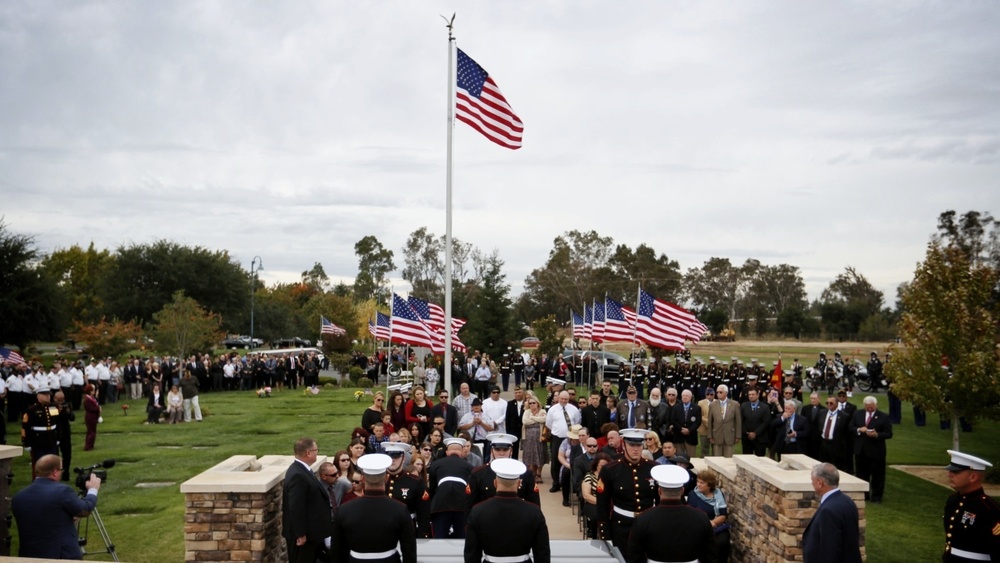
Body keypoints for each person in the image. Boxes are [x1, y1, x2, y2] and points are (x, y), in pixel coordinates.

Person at [12, 454, 102, 559]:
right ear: (55, 472)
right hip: (60, 556)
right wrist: (93, 489)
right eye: (61, 470)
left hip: (29, 556)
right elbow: (85, 509)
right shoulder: (62, 491)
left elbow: (40, 518)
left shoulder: (18, 497)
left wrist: (66, 518)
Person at [333, 453, 417, 563]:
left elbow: (337, 550)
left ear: (362, 479)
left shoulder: (344, 509)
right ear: (386, 478)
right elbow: (409, 549)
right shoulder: (400, 509)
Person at [465, 458, 551, 563]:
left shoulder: (478, 511)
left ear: (495, 483)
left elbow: (471, 553)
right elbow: (542, 552)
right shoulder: (534, 512)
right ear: (519, 483)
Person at [627, 464, 716, 563]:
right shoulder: (701, 517)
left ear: (659, 491)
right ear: (682, 491)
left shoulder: (643, 519)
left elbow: (634, 556)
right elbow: (710, 555)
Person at [596, 428, 659, 550]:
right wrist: (605, 534)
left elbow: (660, 499)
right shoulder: (610, 470)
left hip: (649, 526)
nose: (636, 449)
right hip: (622, 527)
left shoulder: (654, 468)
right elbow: (602, 504)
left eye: (639, 445)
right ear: (624, 445)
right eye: (631, 445)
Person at [942, 450, 1000, 562]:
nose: (949, 474)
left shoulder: (988, 508)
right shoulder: (953, 500)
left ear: (973, 477)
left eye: (956, 472)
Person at [283, 438, 333, 563]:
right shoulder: (297, 475)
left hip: (313, 534)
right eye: (316, 450)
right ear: (308, 453)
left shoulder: (304, 470)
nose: (317, 453)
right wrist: (300, 534)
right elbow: (296, 507)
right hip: (303, 538)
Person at [802, 462, 861, 563]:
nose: (812, 483)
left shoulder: (828, 511)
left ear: (820, 483)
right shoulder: (848, 501)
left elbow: (829, 549)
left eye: (813, 481)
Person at [470, 433, 539, 505]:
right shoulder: (479, 474)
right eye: (497, 449)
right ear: (491, 451)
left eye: (505, 450)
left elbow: (534, 504)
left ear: (511, 451)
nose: (501, 453)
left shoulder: (525, 473)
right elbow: (471, 506)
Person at [427, 437, 473, 539]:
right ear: (461, 452)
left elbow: (432, 489)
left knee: (439, 539)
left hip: (440, 505)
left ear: (447, 452)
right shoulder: (469, 466)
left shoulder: (436, 465)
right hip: (462, 505)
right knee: (462, 539)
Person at [850, 395, 892, 503]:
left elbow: (888, 433)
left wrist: (877, 435)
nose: (869, 409)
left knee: (877, 475)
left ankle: (876, 496)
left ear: (876, 405)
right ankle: (864, 494)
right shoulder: (858, 414)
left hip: (876, 451)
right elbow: (851, 427)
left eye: (871, 407)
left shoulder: (883, 416)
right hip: (861, 450)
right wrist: (860, 429)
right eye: (867, 407)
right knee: (861, 474)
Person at [382, 442, 430, 538]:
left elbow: (423, 513)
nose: (392, 460)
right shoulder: (378, 480)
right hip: (383, 530)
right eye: (390, 457)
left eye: (396, 457)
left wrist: (423, 535)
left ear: (403, 459)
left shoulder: (415, 482)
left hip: (406, 530)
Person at [688, 469, 731, 563]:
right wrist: (706, 524)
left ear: (710, 484)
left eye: (702, 482)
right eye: (697, 481)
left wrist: (712, 523)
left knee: (722, 542)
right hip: (699, 527)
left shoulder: (718, 494)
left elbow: (723, 515)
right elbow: (691, 515)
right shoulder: (693, 494)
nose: (698, 484)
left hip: (717, 526)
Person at [544, 389, 581, 491]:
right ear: (558, 398)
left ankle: (571, 484)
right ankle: (556, 483)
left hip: (572, 439)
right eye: (562, 399)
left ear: (569, 399)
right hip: (557, 438)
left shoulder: (574, 409)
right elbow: (548, 424)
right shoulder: (552, 410)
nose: (564, 401)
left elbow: (577, 421)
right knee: (556, 461)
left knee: (572, 459)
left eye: (566, 399)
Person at [21, 385, 61, 477]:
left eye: (49, 394)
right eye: (44, 394)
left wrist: (58, 437)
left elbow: (58, 424)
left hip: (51, 439)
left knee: (53, 463)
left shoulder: (53, 407)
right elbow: (25, 427)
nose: (47, 396)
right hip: (38, 441)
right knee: (39, 464)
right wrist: (26, 443)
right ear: (38, 396)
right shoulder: (32, 410)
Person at [707, 384, 741, 457]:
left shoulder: (734, 404)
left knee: (729, 458)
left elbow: (738, 421)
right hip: (717, 435)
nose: (718, 394)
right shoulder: (712, 405)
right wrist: (710, 435)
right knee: (717, 458)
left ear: (726, 393)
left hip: (729, 435)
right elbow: (710, 421)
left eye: (720, 392)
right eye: (717, 392)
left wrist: (738, 436)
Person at [818, 395, 851, 472]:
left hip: (836, 445)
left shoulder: (844, 416)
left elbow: (847, 433)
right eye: (827, 403)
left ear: (837, 403)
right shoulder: (822, 413)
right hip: (824, 443)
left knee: (836, 467)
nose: (829, 404)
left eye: (831, 403)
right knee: (823, 467)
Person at [521, 394, 548, 482]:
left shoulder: (542, 411)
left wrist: (532, 418)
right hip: (528, 438)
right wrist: (536, 418)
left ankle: (539, 474)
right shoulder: (526, 412)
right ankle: (533, 474)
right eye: (530, 403)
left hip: (539, 438)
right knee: (531, 456)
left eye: (534, 403)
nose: (532, 405)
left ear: (537, 403)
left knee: (539, 455)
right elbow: (525, 421)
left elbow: (544, 419)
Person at [740, 387, 770, 456]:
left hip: (760, 438)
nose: (751, 396)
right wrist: (747, 433)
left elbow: (766, 422)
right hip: (747, 439)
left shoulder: (765, 407)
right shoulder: (744, 406)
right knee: (747, 459)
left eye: (753, 394)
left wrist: (755, 433)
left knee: (760, 460)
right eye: (749, 394)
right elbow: (741, 420)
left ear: (757, 395)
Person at [83, 383, 101, 451]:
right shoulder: (87, 399)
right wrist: (98, 409)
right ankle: (88, 446)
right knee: (91, 432)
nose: (94, 391)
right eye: (93, 390)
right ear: (90, 391)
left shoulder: (91, 398)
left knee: (92, 431)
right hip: (90, 417)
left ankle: (90, 445)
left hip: (93, 417)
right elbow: (91, 408)